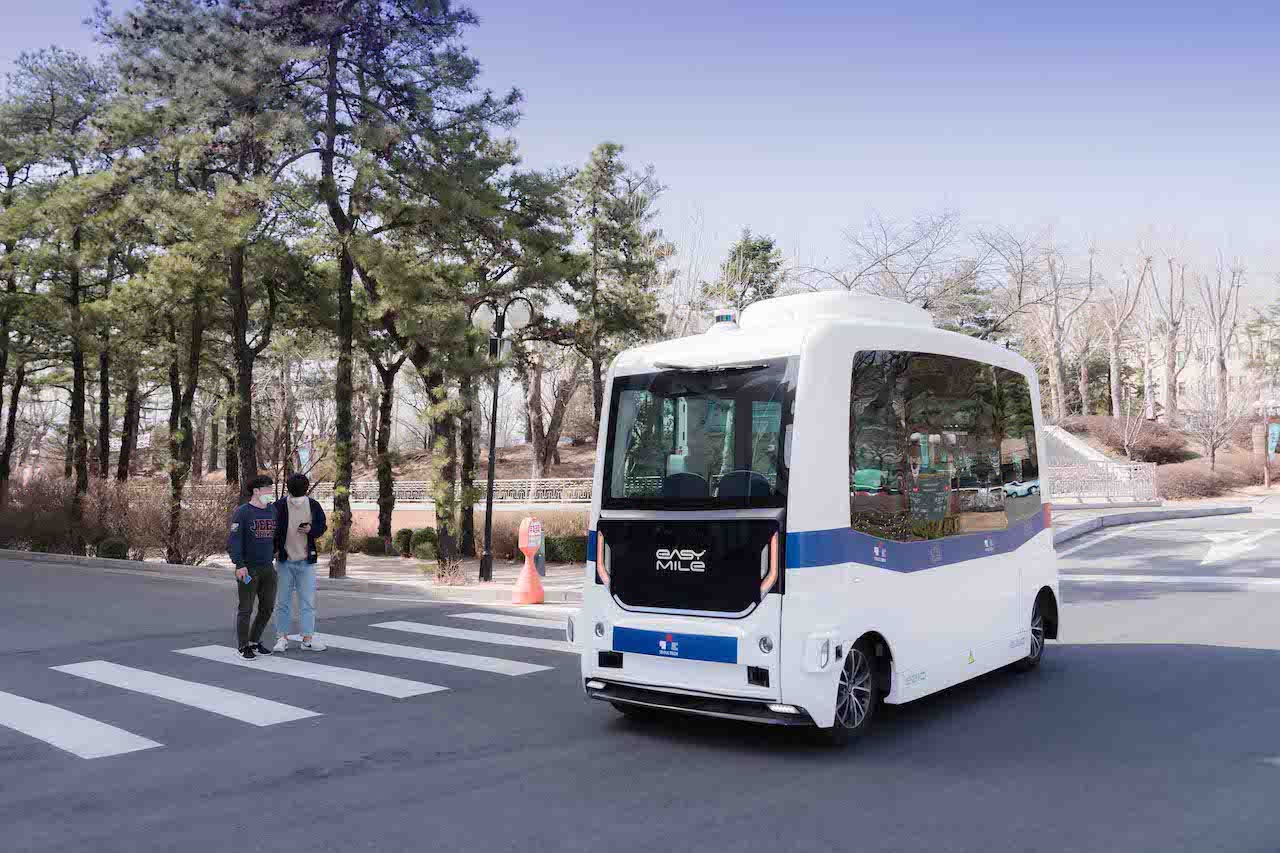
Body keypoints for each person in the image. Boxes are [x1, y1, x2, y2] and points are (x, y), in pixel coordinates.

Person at [271, 473, 328, 652]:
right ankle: (282, 638)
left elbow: (322, 526)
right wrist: (275, 550)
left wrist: (311, 529)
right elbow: (272, 530)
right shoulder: (279, 506)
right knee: (282, 601)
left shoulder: (313, 505)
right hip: (284, 561)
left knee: (307, 601)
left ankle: (307, 639)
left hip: (306, 561)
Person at [226, 475, 280, 660]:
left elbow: (275, 536)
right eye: (267, 489)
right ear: (256, 491)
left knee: (267, 607)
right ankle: (243, 646)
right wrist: (239, 565)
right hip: (249, 570)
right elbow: (234, 541)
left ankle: (255, 641)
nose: (270, 493)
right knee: (246, 609)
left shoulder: (272, 510)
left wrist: (276, 551)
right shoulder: (242, 512)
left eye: (271, 489)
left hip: (268, 568)